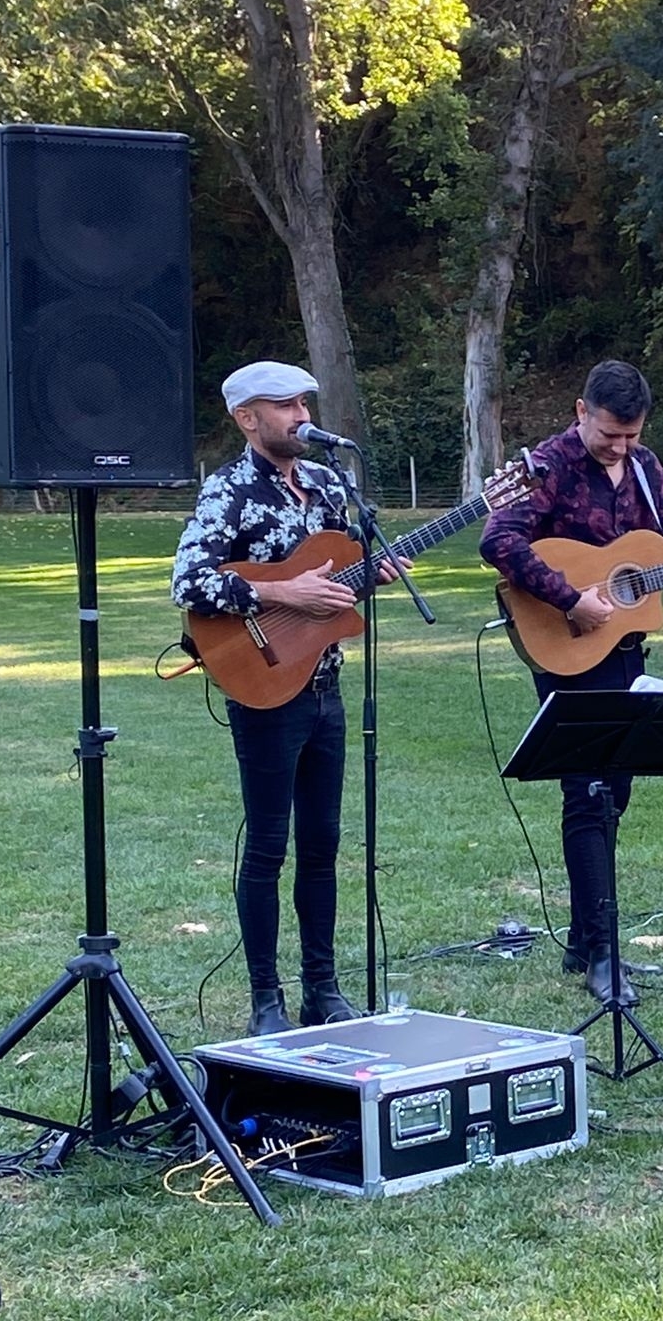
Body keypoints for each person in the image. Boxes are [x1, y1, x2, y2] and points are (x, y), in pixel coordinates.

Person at [480, 360, 663, 1005]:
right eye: (610, 434)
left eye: (632, 436)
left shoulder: (646, 470)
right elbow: (499, 541)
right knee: (587, 790)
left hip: (623, 648)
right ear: (580, 411)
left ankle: (587, 942)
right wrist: (570, 599)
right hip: (567, 642)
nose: (620, 447)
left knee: (614, 789)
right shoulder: (545, 466)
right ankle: (604, 954)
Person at [172, 361, 405, 1034]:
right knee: (269, 846)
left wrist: (374, 573)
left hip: (326, 687)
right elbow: (189, 580)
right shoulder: (229, 492)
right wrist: (280, 593)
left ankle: (322, 991)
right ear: (248, 418)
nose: (302, 415)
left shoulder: (331, 483)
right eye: (285, 406)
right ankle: (266, 1001)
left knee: (323, 845)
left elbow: (340, 577)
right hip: (265, 688)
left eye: (304, 402)